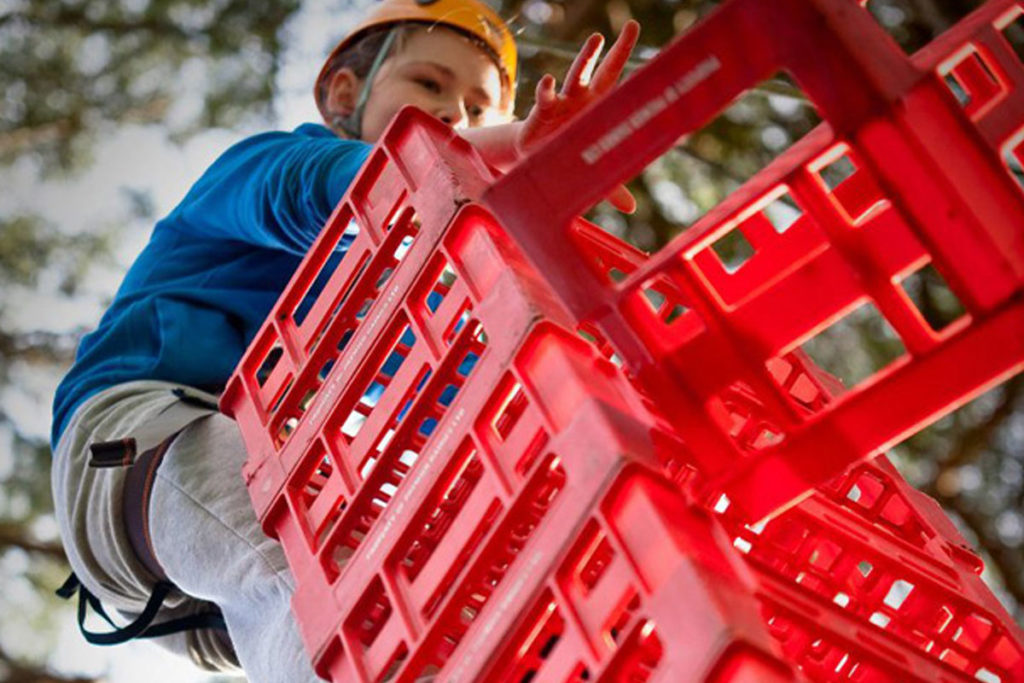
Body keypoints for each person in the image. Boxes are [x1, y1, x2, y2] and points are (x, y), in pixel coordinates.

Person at [49, 1, 638, 680]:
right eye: (429, 85)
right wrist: (510, 147)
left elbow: (465, 373)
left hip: (215, 568)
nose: (456, 117)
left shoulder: (403, 279)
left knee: (419, 616)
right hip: (140, 447)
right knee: (329, 598)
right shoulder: (278, 163)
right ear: (343, 93)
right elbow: (317, 190)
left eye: (481, 110)